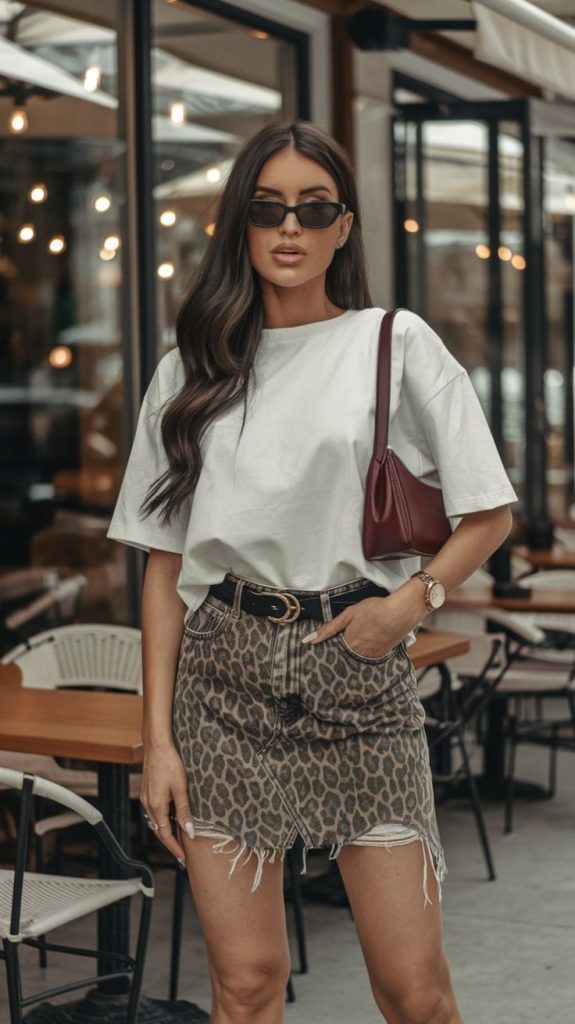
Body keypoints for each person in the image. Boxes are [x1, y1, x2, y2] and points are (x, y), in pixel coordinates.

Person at [108, 120, 517, 1024]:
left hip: (358, 678)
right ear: (240, 228)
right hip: (221, 689)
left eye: (313, 208)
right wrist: (157, 743)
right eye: (266, 209)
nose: (289, 228)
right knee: (246, 987)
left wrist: (410, 604)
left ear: (343, 228)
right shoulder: (189, 370)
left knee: (414, 992)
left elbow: (488, 512)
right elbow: (163, 567)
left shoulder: (394, 344)